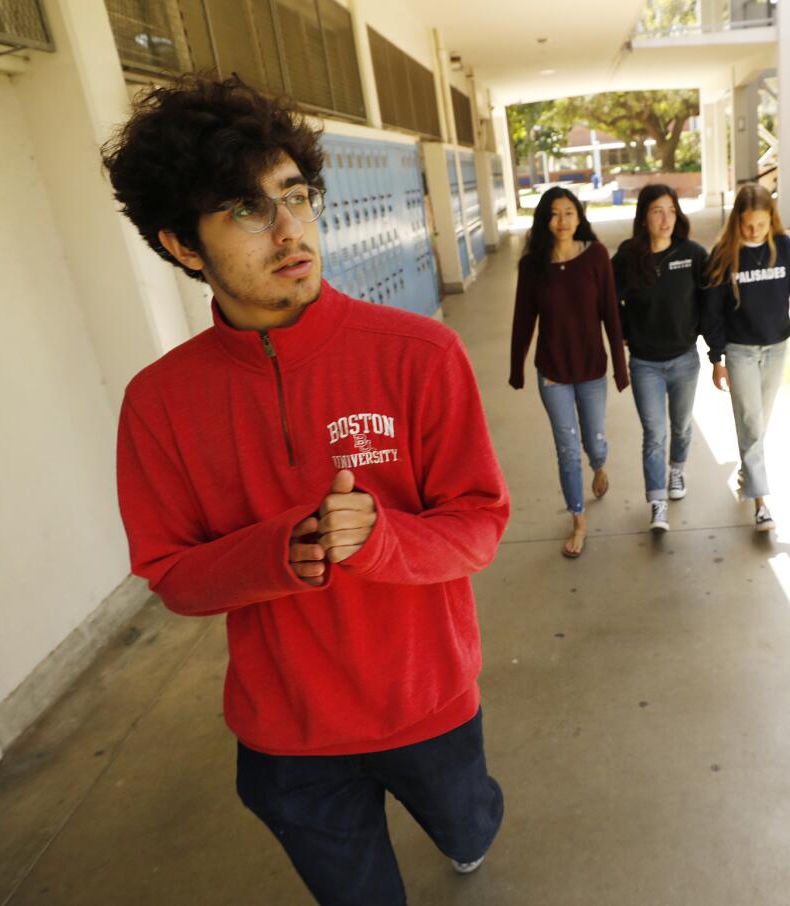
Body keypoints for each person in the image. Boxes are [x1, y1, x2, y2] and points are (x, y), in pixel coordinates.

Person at [102, 75, 508, 906]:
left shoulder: (419, 356)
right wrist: (274, 551)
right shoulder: (159, 402)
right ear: (183, 246)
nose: (289, 229)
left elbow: (479, 525)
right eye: (246, 210)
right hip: (288, 736)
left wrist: (384, 539)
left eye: (294, 195)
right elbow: (173, 574)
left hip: (428, 701)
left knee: (468, 827)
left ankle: (468, 835)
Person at [509, 187, 629, 558]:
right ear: (545, 219)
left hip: (591, 368)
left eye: (569, 212)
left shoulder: (595, 256)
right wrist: (517, 367)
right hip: (553, 371)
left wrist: (620, 369)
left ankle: (599, 465)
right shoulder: (533, 265)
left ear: (579, 217)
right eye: (554, 213)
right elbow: (523, 319)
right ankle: (578, 520)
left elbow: (611, 311)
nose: (562, 220)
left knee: (593, 441)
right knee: (566, 448)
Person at [703, 183, 790, 532]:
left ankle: (747, 471)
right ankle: (760, 502)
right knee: (751, 421)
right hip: (739, 350)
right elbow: (712, 312)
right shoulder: (724, 255)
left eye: (761, 224)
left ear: (772, 219)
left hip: (775, 349)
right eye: (747, 224)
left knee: (760, 422)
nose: (754, 231)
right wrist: (716, 356)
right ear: (736, 220)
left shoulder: (786, 249)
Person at [612, 184, 711, 533]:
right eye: (657, 210)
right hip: (645, 364)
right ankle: (657, 503)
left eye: (670, 209)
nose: (665, 218)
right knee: (654, 432)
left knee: (681, 427)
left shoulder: (693, 254)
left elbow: (709, 300)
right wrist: (625, 332)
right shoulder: (628, 257)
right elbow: (609, 302)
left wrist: (711, 344)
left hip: (685, 359)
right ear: (644, 217)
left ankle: (676, 470)